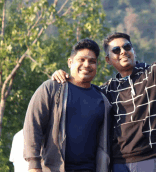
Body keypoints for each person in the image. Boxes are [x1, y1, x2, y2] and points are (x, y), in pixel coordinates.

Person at [52, 9, 156, 172]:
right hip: (119, 163)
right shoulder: (106, 90)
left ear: (133, 51)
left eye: (127, 47)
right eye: (116, 50)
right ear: (108, 60)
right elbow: (83, 92)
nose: (123, 52)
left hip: (153, 158)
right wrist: (64, 76)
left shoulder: (154, 76)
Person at [23, 39, 112, 172]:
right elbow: (33, 125)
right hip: (54, 168)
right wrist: (34, 165)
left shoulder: (102, 99)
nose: (86, 65)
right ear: (70, 62)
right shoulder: (52, 88)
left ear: (97, 65)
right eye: (81, 60)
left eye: (92, 61)